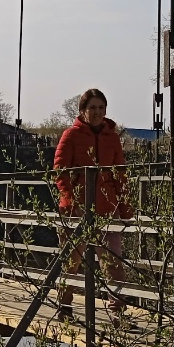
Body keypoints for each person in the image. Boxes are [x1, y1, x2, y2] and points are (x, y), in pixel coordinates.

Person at [53, 88, 133, 322]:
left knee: (113, 262)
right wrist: (72, 200)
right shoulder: (71, 135)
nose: (97, 112)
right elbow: (60, 172)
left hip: (106, 208)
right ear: (83, 111)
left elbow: (120, 174)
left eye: (101, 108)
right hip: (76, 210)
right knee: (71, 261)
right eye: (92, 108)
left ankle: (117, 312)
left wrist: (125, 208)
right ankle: (65, 307)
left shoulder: (112, 138)